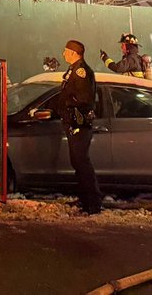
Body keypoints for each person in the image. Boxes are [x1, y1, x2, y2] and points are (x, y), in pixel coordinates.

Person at [55, 39, 101, 214]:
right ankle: (85, 199)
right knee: (77, 162)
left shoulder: (81, 71)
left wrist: (67, 105)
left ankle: (93, 203)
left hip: (79, 123)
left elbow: (83, 99)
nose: (63, 54)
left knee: (82, 162)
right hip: (73, 122)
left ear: (74, 53)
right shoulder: (73, 69)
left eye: (66, 51)